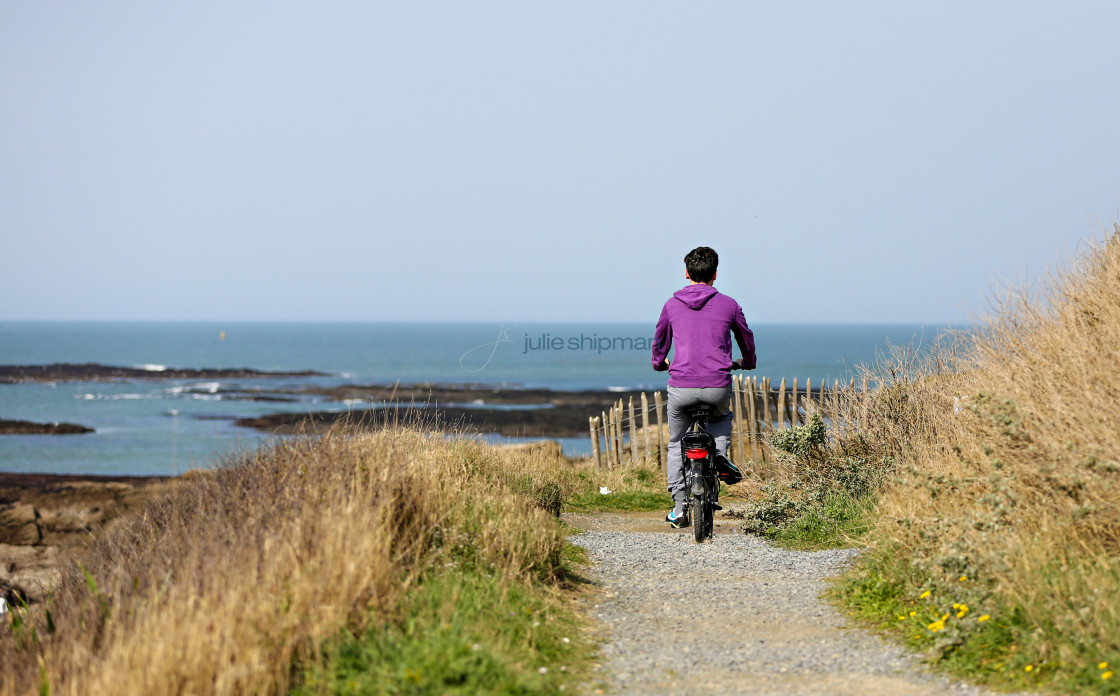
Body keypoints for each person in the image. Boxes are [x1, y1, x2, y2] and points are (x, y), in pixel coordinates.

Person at [651, 246, 756, 528]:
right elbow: (746, 337)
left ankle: (679, 508)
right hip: (716, 385)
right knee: (721, 418)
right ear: (715, 274)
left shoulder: (671, 305)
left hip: (681, 387)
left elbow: (660, 342)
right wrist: (746, 362)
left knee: (676, 443)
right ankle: (719, 455)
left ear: (687, 273)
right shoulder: (729, 304)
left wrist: (660, 363)